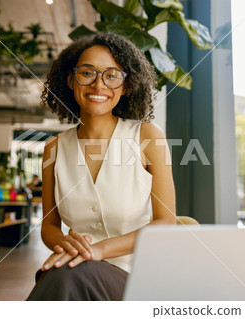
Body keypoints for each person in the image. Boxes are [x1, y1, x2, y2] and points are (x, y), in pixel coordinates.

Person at [26, 32, 176, 301]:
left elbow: (166, 223)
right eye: (87, 73)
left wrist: (100, 251)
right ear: (71, 80)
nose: (99, 85)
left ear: (126, 86)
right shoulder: (54, 149)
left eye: (112, 75)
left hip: (138, 275)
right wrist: (65, 244)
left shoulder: (147, 137)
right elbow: (49, 225)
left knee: (64, 277)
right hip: (74, 269)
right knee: (67, 276)